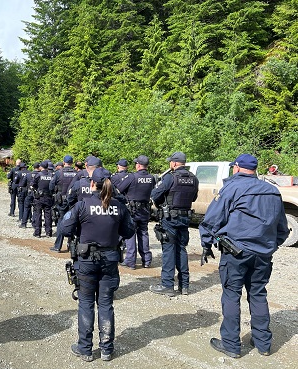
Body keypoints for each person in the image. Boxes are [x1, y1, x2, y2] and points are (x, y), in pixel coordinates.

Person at [199, 153, 289, 358]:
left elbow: (212, 219)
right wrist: (269, 247)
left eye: (233, 167)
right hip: (263, 254)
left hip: (236, 253)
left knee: (231, 295)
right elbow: (282, 229)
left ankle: (231, 344)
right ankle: (263, 343)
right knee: (258, 294)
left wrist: (206, 243)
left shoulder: (231, 188)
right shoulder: (272, 191)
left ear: (237, 168)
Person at [59, 167, 134, 362]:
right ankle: (107, 349)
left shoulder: (82, 205)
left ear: (92, 184)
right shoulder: (119, 206)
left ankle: (85, 349)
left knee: (85, 303)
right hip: (109, 261)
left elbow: (64, 228)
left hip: (87, 261)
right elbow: (129, 232)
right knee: (106, 304)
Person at [149, 151, 199, 296]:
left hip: (170, 218)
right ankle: (184, 286)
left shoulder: (170, 178)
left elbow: (155, 195)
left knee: (169, 251)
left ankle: (167, 285)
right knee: (181, 249)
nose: (170, 164)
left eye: (171, 161)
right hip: (185, 218)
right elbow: (194, 197)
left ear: (175, 163)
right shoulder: (194, 179)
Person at [115, 155, 155, 269]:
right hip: (145, 210)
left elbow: (119, 190)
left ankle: (130, 261)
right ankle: (146, 260)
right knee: (143, 233)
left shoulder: (132, 177)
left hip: (132, 211)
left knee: (130, 234)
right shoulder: (151, 178)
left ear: (138, 165)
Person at [49, 155, 77, 252]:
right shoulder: (76, 173)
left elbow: (51, 186)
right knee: (73, 221)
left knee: (61, 221)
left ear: (63, 162)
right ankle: (71, 245)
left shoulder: (58, 173)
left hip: (61, 201)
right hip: (73, 201)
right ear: (72, 163)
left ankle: (58, 246)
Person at [32, 161, 54, 238]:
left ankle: (38, 233)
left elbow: (33, 184)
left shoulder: (38, 175)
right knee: (48, 215)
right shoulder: (51, 175)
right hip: (48, 197)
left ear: (41, 167)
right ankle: (48, 232)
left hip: (39, 198)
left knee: (38, 214)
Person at [20, 162, 41, 229]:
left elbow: (22, 184)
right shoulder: (40, 175)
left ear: (33, 167)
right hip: (38, 194)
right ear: (39, 167)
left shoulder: (28, 175)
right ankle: (34, 224)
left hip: (29, 193)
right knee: (36, 209)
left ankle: (24, 223)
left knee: (26, 208)